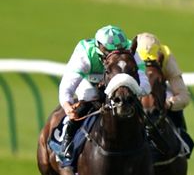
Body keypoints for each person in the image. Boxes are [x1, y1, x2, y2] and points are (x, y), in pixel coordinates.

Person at [58, 25, 150, 160]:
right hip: (89, 80)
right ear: (99, 47)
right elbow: (68, 84)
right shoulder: (85, 53)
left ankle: (149, 137)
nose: (116, 55)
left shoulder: (131, 51)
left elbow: (145, 85)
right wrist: (67, 106)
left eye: (120, 51)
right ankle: (68, 137)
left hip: (119, 83)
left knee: (133, 101)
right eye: (109, 51)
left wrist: (133, 91)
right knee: (90, 95)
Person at [134, 32, 194, 156]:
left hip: (159, 88)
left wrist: (168, 104)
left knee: (169, 96)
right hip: (135, 87)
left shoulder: (166, 57)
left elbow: (183, 95)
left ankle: (181, 137)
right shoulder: (129, 57)